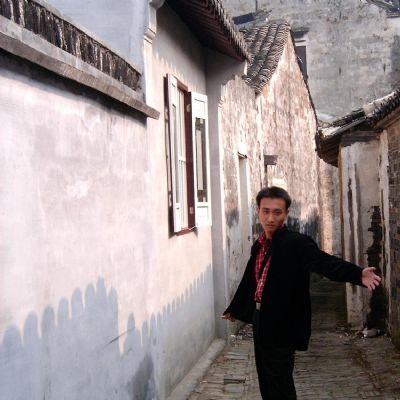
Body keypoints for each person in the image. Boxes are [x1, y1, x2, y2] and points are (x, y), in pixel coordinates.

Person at [221, 186, 381, 400]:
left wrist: (358, 274)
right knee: (266, 379)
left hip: (282, 322)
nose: (270, 218)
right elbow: (252, 280)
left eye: (277, 212)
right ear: (257, 211)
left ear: (286, 213)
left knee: (280, 383)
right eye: (265, 211)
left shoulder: (296, 243)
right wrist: (236, 308)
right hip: (261, 320)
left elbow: (325, 263)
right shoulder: (259, 246)